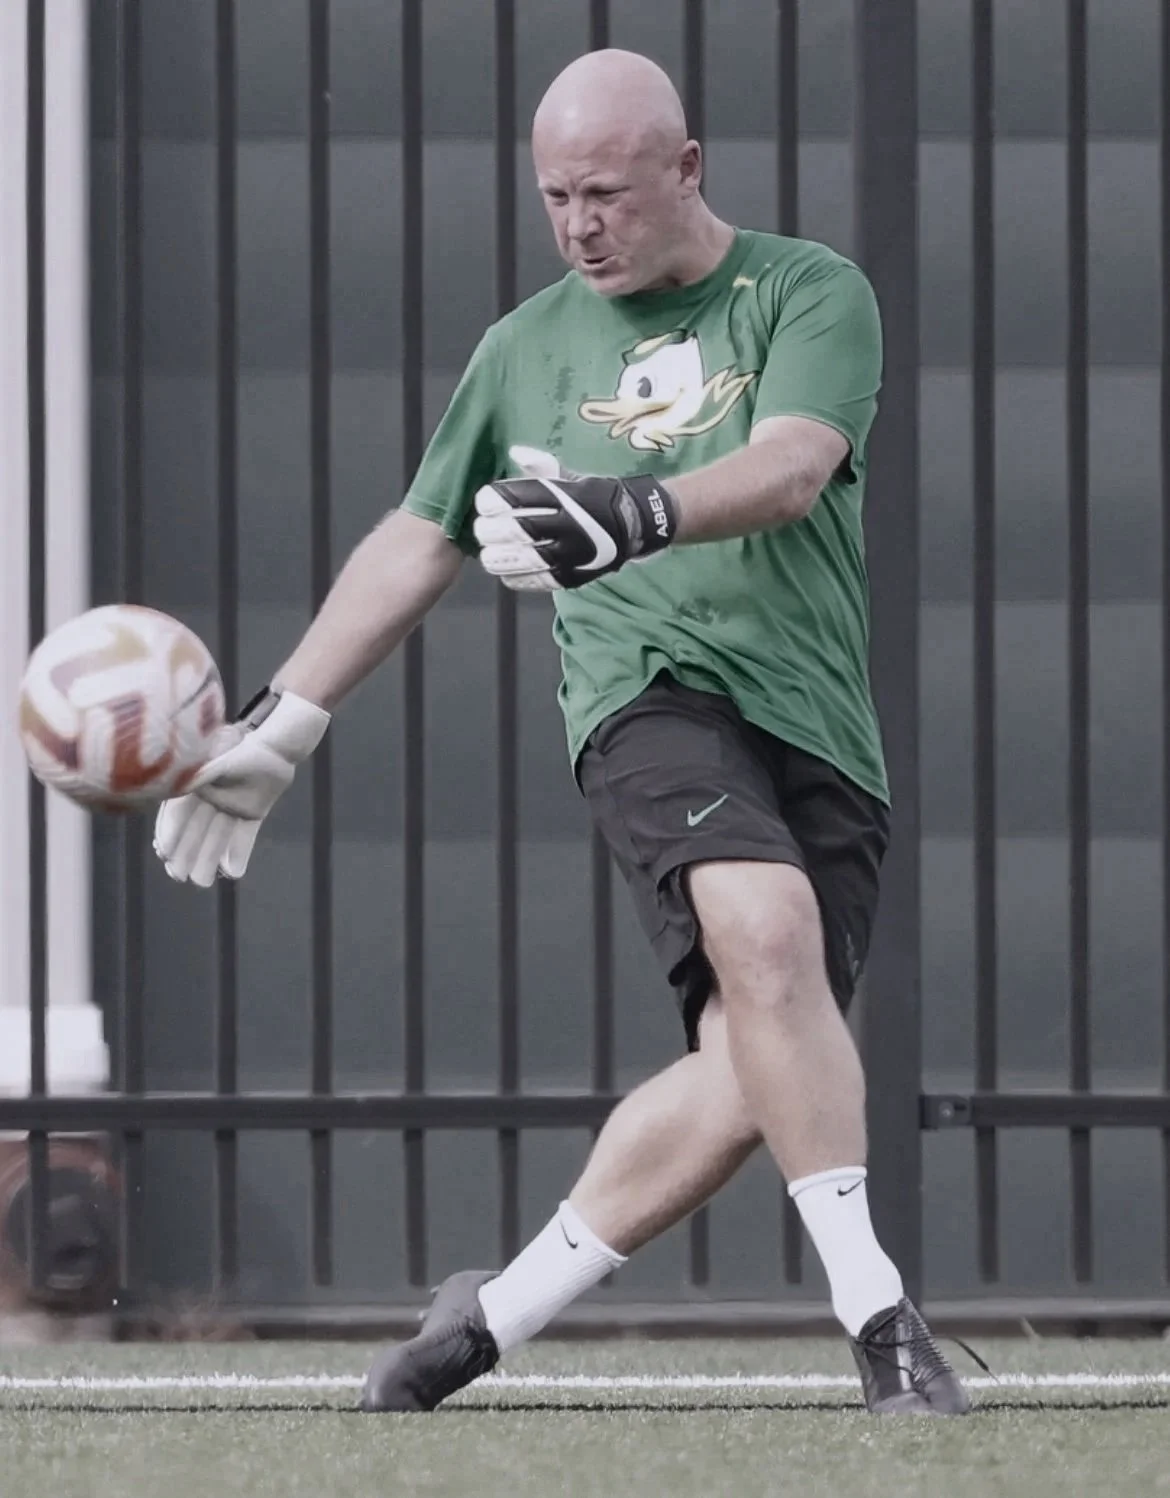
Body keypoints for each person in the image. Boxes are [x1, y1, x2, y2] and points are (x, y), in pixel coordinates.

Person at [154, 48, 968, 1417]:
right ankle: (878, 1316)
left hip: (816, 723)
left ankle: (485, 1318)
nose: (579, 223)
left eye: (604, 191)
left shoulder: (807, 290)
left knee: (743, 1073)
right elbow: (418, 539)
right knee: (762, 937)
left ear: (685, 168)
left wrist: (630, 510)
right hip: (645, 699)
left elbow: (791, 465)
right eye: (554, 196)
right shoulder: (522, 348)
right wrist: (284, 720)